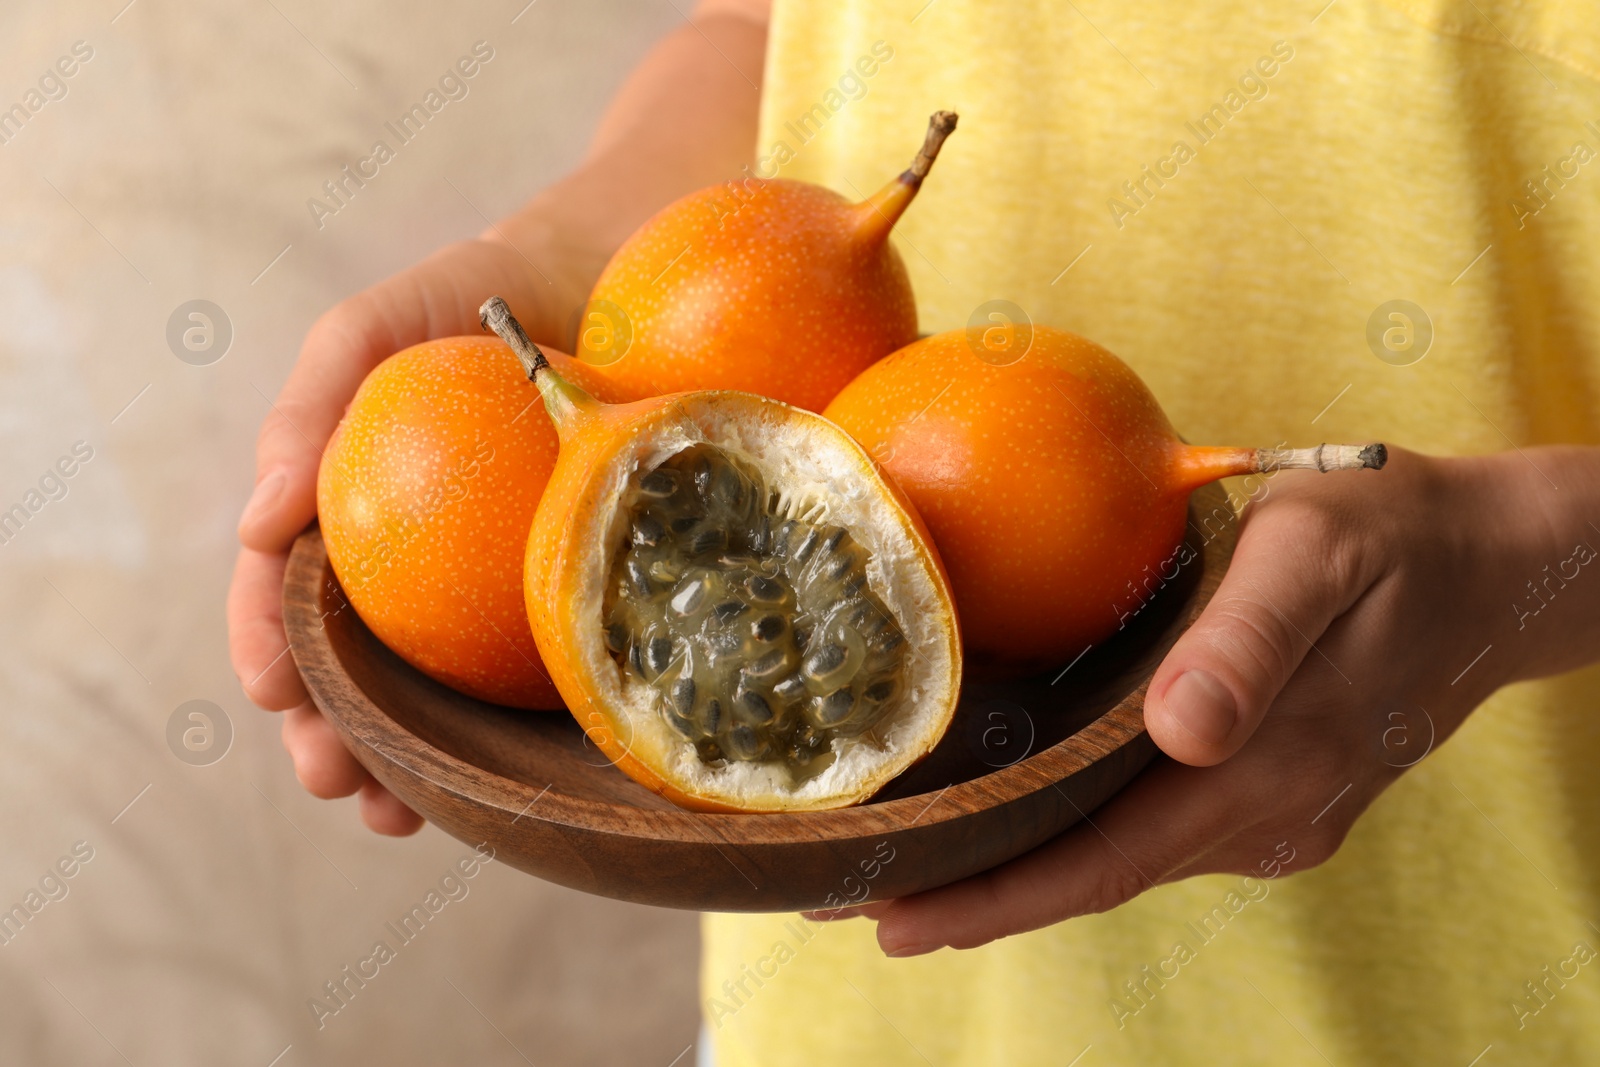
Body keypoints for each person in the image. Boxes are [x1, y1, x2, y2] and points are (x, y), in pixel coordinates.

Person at [229, 0, 1600, 1062]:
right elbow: (764, 24)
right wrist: (566, 260)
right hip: (845, 1006)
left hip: (1483, 974)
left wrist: (1521, 559)